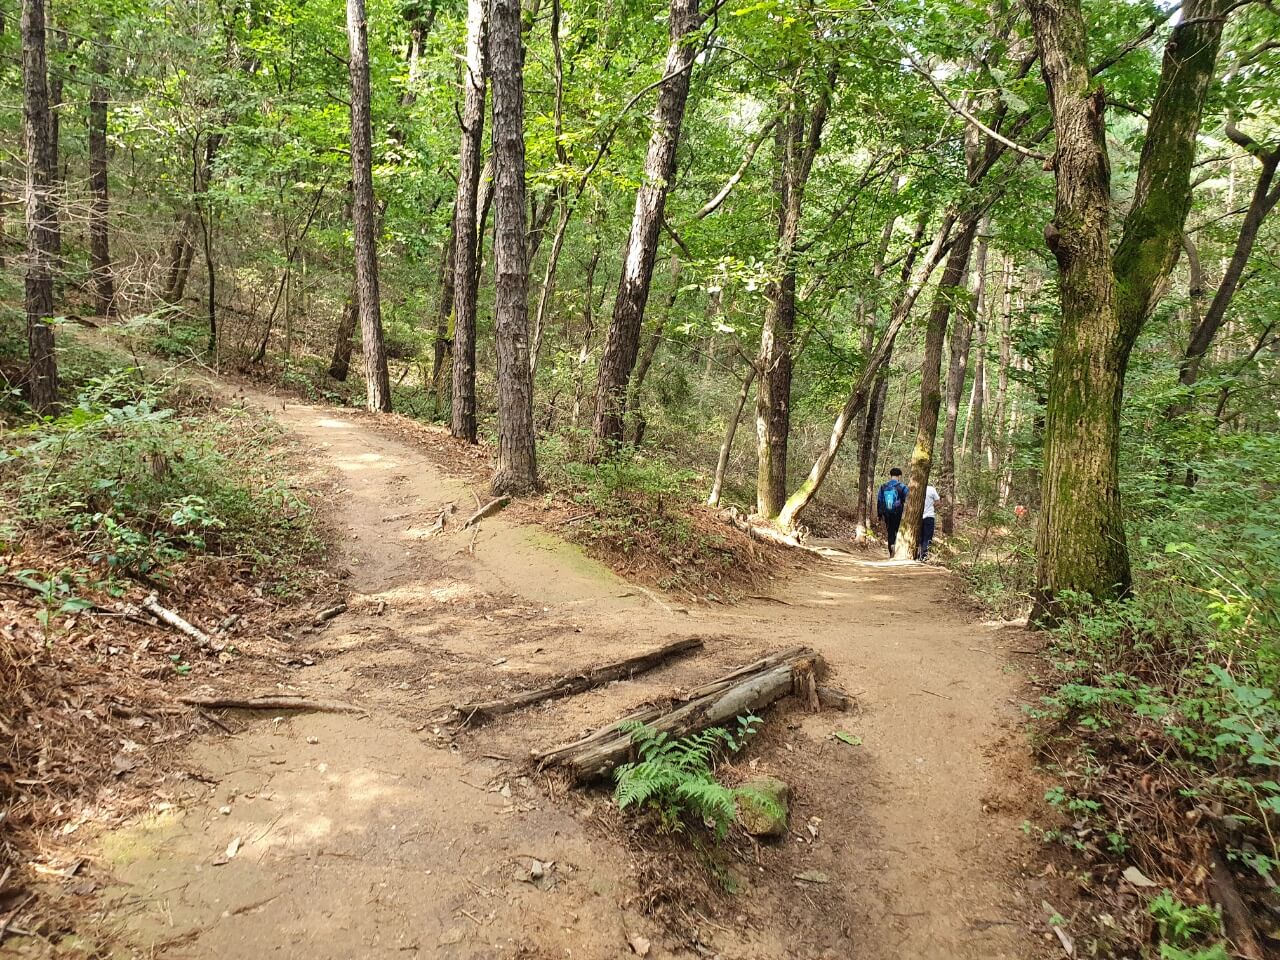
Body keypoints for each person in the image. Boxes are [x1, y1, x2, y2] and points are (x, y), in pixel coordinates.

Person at [876, 467, 908, 557]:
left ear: (891, 475)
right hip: (898, 513)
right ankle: (898, 551)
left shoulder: (883, 486)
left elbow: (879, 500)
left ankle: (891, 552)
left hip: (887, 513)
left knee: (890, 532)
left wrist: (879, 514)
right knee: (899, 531)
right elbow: (908, 500)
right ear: (899, 476)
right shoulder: (902, 487)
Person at [918, 482, 941, 561]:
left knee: (920, 536)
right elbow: (938, 501)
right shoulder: (931, 489)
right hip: (929, 516)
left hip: (918, 517)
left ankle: (920, 554)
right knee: (927, 537)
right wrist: (931, 505)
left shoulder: (917, 489)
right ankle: (924, 555)